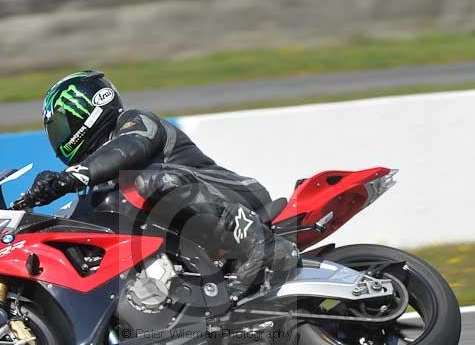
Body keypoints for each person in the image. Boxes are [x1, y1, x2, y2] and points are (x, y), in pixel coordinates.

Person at [26, 70, 299, 295]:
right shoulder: (97, 183)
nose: (59, 136)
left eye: (63, 125)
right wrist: (32, 216)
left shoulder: (134, 122)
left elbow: (126, 150)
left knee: (149, 180)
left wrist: (70, 177)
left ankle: (261, 243)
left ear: (87, 110)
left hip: (234, 193)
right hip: (197, 242)